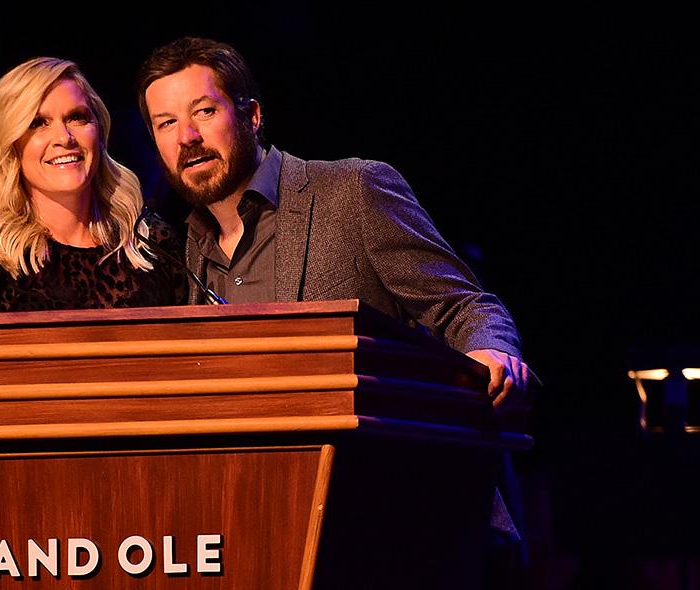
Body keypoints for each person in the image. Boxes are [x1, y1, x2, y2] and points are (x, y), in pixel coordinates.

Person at [135, 37, 535, 413]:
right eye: (166, 123)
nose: (187, 136)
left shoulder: (353, 190)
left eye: (204, 111)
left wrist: (493, 351)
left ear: (252, 116)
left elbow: (462, 306)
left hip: (382, 472)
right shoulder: (187, 249)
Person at [0, 57, 186, 314]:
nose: (64, 138)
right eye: (38, 123)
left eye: (77, 118)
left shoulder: (150, 241)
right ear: (11, 144)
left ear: (99, 132)